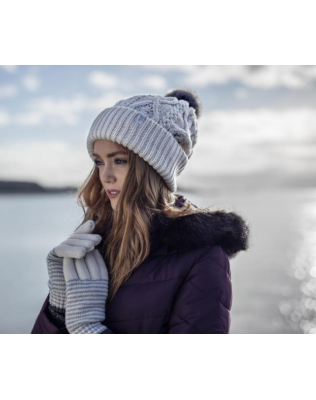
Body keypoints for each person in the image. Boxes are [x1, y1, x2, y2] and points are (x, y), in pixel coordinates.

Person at [31, 89, 250, 334]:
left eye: (120, 160)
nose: (106, 176)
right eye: (99, 161)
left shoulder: (203, 256)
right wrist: (58, 309)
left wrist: (88, 331)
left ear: (154, 167)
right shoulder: (97, 240)